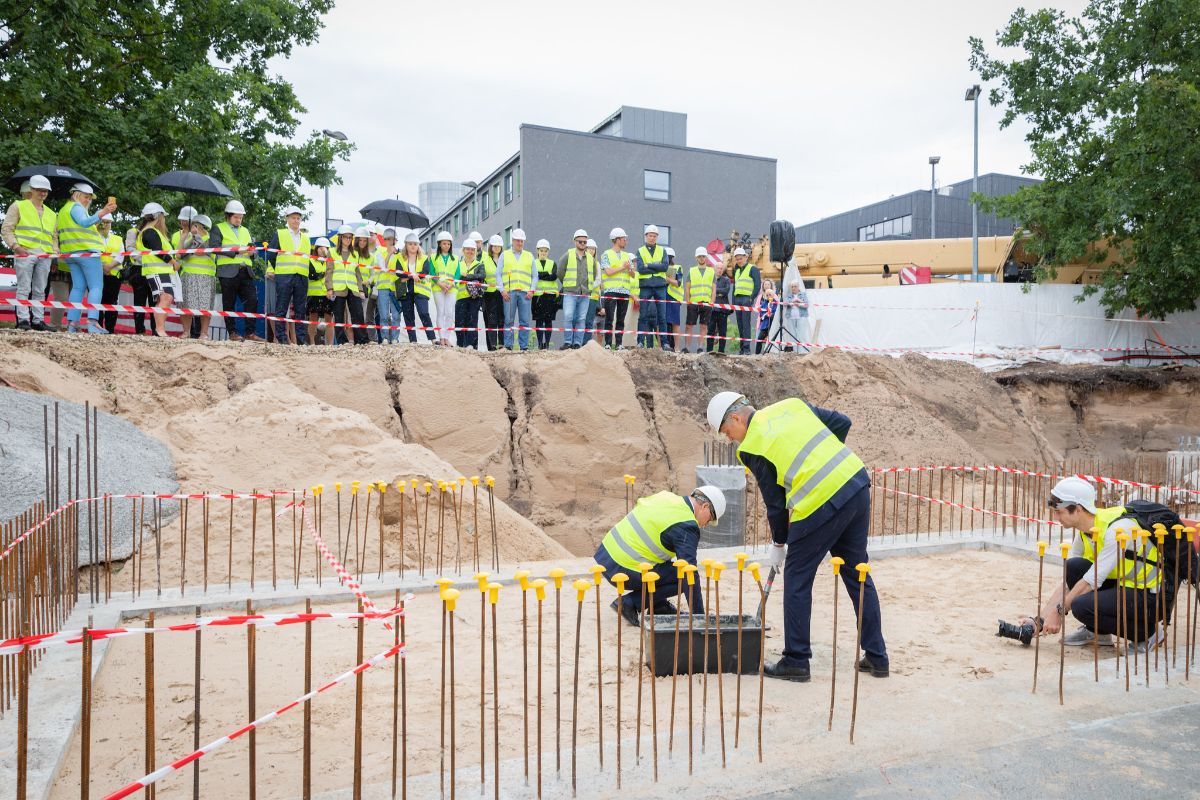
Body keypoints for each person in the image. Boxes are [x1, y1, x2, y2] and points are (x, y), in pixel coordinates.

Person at [708, 391, 889, 682]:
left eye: (727, 432)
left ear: (736, 418)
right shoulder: (790, 405)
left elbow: (776, 503)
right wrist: (825, 460)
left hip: (819, 501)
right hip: (855, 481)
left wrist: (779, 542)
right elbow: (842, 422)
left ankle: (796, 661)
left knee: (796, 578)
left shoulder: (753, 445)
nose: (730, 439)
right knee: (858, 574)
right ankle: (877, 657)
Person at [1026, 477, 1163, 650]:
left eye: (1058, 511)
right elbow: (1070, 583)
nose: (1055, 517)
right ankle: (1099, 633)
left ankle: (1149, 633)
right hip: (1122, 585)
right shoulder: (1085, 532)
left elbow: (1091, 581)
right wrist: (1039, 620)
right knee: (1074, 568)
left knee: (1081, 606)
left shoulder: (1117, 529)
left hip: (1149, 595)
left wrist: (1059, 612)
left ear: (1077, 509)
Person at [594, 486, 726, 625]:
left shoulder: (666, 497)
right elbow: (689, 573)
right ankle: (630, 603)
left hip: (606, 556)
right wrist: (700, 619)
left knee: (667, 566)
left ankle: (659, 607)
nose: (706, 525)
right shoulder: (687, 525)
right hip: (623, 569)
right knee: (680, 578)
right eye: (710, 519)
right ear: (705, 506)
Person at [57, 182, 117, 334]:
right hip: (87, 253)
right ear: (76, 194)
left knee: (78, 287)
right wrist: (103, 212)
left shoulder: (64, 210)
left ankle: (72, 323)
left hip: (71, 254)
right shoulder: (76, 208)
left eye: (90, 198)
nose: (88, 200)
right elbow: (84, 223)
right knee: (96, 287)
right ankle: (92, 322)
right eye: (86, 197)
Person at [2, 174, 58, 331]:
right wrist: (16, 247)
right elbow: (6, 229)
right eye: (40, 190)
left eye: (45, 191)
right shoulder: (19, 206)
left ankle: (38, 320)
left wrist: (54, 255)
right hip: (24, 252)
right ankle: (23, 320)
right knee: (24, 288)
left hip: (45, 255)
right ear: (31, 189)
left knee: (40, 290)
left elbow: (54, 237)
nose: (43, 193)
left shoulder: (52, 213)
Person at [211, 200, 261, 342]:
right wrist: (237, 251)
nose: (239, 220)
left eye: (240, 217)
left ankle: (250, 333)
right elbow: (214, 247)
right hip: (227, 271)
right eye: (236, 217)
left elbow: (253, 249)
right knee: (229, 303)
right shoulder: (218, 228)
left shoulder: (245, 230)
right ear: (228, 215)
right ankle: (232, 333)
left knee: (252, 301)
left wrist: (253, 252)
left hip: (246, 271)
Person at [264, 206, 311, 345]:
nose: (296, 220)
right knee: (282, 308)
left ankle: (301, 340)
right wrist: (277, 269)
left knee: (300, 309)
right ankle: (282, 338)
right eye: (293, 218)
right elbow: (271, 254)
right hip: (284, 275)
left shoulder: (306, 238)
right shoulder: (280, 233)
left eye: (298, 218)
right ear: (287, 219)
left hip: (301, 276)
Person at [137, 203, 183, 337]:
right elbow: (158, 251)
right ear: (158, 216)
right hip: (156, 270)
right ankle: (160, 330)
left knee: (166, 299)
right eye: (163, 216)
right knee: (165, 298)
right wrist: (173, 261)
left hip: (162, 271)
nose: (164, 219)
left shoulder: (152, 231)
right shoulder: (150, 231)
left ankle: (160, 330)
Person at [327, 226, 368, 345]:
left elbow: (358, 274)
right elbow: (329, 271)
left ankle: (362, 340)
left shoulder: (355, 254)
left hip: (353, 288)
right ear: (340, 238)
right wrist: (329, 288)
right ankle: (342, 341)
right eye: (346, 237)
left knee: (358, 314)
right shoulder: (332, 252)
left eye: (350, 237)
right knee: (339, 315)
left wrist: (360, 290)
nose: (348, 239)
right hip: (338, 288)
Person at [557, 229, 595, 350]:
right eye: (580, 242)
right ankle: (568, 342)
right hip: (570, 292)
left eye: (585, 242)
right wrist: (568, 285)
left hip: (585, 294)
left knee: (581, 319)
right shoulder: (567, 255)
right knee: (568, 316)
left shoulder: (590, 258)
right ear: (574, 241)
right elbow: (560, 272)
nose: (583, 244)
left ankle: (577, 343)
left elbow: (593, 274)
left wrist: (587, 287)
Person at [179, 214, 216, 340]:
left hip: (206, 276)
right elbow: (179, 255)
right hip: (188, 275)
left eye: (194, 225)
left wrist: (196, 237)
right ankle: (186, 332)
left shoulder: (211, 239)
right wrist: (183, 239)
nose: (192, 228)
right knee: (186, 304)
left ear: (200, 226)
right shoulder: (190, 239)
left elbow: (201, 251)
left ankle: (204, 333)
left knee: (205, 306)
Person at [635, 225, 671, 350]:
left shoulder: (663, 250)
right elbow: (640, 269)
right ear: (646, 236)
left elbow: (665, 267)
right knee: (643, 315)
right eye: (650, 235)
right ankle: (640, 342)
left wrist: (648, 265)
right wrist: (656, 265)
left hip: (660, 286)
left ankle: (665, 343)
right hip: (646, 285)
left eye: (654, 236)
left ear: (657, 237)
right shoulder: (640, 251)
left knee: (662, 316)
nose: (652, 238)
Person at [498, 229, 534, 351]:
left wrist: (532, 290)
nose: (520, 243)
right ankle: (508, 346)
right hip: (509, 293)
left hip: (525, 294)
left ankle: (524, 346)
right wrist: (502, 290)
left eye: (521, 241)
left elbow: (535, 275)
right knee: (508, 320)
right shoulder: (505, 255)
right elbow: (498, 274)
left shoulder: (529, 256)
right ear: (512, 241)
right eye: (517, 240)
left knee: (524, 321)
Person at [600, 227, 635, 350]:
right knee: (609, 318)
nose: (626, 241)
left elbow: (633, 274)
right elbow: (608, 272)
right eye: (624, 239)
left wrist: (630, 269)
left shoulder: (627, 255)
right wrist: (623, 267)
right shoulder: (606, 254)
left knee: (621, 318)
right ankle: (608, 343)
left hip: (624, 291)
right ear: (617, 239)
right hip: (611, 290)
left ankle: (619, 343)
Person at [397, 232, 434, 344]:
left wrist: (409, 275)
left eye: (415, 244)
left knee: (424, 313)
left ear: (418, 245)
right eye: (410, 244)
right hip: (405, 290)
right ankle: (413, 341)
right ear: (406, 245)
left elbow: (425, 271)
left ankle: (432, 339)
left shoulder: (424, 258)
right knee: (408, 316)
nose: (413, 246)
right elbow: (398, 272)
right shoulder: (400, 257)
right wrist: (411, 275)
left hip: (420, 290)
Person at [426, 231, 459, 346]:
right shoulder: (433, 257)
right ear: (439, 244)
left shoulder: (455, 258)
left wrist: (450, 285)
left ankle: (447, 337)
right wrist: (440, 284)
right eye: (444, 243)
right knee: (441, 312)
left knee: (449, 313)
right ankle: (441, 337)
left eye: (448, 244)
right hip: (438, 288)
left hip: (451, 288)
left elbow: (457, 274)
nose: (446, 246)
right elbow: (432, 272)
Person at [729, 248, 761, 355]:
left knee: (746, 324)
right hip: (738, 299)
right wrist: (733, 302)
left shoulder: (753, 269)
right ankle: (742, 348)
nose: (739, 261)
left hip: (747, 299)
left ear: (746, 257)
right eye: (737, 259)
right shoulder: (737, 271)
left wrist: (751, 298)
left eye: (740, 258)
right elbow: (735, 287)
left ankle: (747, 349)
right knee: (740, 325)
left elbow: (757, 285)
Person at [97, 213, 125, 334]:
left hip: (114, 275)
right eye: (103, 221)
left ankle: (110, 329)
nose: (106, 224)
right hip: (98, 274)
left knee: (112, 303)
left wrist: (109, 266)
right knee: (98, 302)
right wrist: (103, 267)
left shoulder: (118, 239)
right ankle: (97, 328)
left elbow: (121, 256)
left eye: (108, 222)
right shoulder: (94, 237)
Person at [374, 230, 403, 344]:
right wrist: (390, 253)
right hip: (383, 286)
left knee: (396, 314)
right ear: (384, 240)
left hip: (397, 286)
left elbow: (402, 270)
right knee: (384, 314)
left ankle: (395, 338)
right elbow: (383, 267)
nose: (392, 241)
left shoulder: (401, 254)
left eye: (394, 239)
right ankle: (385, 337)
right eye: (389, 239)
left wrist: (395, 253)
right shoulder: (380, 251)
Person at [684, 247, 714, 354]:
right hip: (693, 302)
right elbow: (687, 287)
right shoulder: (691, 271)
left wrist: (712, 302)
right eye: (700, 256)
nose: (702, 258)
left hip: (706, 302)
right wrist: (688, 301)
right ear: (696, 258)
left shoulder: (711, 271)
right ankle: (687, 347)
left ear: (706, 257)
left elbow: (713, 288)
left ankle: (700, 347)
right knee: (689, 325)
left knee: (703, 326)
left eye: (703, 256)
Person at [455, 239, 484, 349]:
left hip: (474, 298)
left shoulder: (479, 264)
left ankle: (471, 346)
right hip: (460, 298)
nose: (470, 252)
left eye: (472, 250)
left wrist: (467, 277)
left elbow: (481, 276)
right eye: (468, 249)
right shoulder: (458, 264)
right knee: (460, 323)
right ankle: (460, 345)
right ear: (463, 250)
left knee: (472, 323)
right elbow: (455, 278)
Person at [531, 238, 558, 350]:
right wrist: (547, 274)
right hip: (537, 296)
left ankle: (546, 344)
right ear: (537, 251)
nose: (543, 253)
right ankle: (539, 343)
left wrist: (540, 275)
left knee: (548, 321)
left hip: (550, 296)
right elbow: (532, 276)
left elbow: (554, 276)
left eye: (545, 251)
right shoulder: (533, 262)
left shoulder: (553, 263)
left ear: (548, 252)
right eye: (541, 250)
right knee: (539, 321)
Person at [306, 237, 334, 346]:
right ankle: (312, 342)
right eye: (321, 248)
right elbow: (312, 275)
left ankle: (330, 344)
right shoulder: (311, 260)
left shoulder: (330, 261)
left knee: (329, 318)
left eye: (325, 248)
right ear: (316, 248)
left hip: (327, 293)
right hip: (314, 294)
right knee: (313, 318)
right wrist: (322, 274)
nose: (322, 250)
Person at [480, 235, 505, 350]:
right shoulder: (485, 260)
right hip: (489, 294)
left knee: (501, 319)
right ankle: (492, 346)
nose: (496, 247)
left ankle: (501, 344)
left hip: (502, 293)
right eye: (494, 245)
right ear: (491, 246)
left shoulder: (505, 259)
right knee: (491, 320)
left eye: (498, 246)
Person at [706, 261, 732, 353]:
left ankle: (721, 351)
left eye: (721, 268)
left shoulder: (726, 280)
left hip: (723, 310)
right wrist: (718, 292)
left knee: (723, 331)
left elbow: (726, 291)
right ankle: (709, 350)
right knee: (710, 331)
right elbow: (707, 290)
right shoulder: (709, 279)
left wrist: (714, 290)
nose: (720, 270)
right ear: (714, 268)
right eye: (718, 268)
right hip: (712, 309)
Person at [663, 247, 682, 351]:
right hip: (662, 297)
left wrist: (667, 279)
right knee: (661, 322)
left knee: (675, 323)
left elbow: (678, 283)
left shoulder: (678, 267)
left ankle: (677, 347)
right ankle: (662, 346)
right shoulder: (660, 268)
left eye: (668, 257)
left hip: (674, 298)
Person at [782, 278, 810, 351]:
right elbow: (785, 304)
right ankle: (795, 351)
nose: (793, 288)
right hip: (790, 317)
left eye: (795, 286)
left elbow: (807, 305)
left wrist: (799, 302)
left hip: (802, 316)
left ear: (798, 287)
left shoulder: (803, 294)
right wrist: (792, 301)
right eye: (792, 287)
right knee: (792, 335)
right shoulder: (788, 296)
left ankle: (801, 351)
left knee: (801, 334)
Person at [586, 239, 604, 346]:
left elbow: (598, 280)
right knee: (581, 320)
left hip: (593, 297)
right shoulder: (582, 262)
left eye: (593, 249)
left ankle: (588, 343)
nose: (591, 251)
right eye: (589, 248)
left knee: (589, 321)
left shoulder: (596, 264)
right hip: (583, 296)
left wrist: (587, 288)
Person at [754, 279, 778, 354]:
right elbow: (760, 311)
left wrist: (770, 314)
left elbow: (776, 312)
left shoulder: (775, 302)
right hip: (764, 325)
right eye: (767, 295)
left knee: (772, 339)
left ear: (773, 295)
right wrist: (765, 315)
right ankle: (757, 354)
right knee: (759, 339)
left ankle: (769, 353)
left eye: (770, 295)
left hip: (772, 324)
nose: (768, 296)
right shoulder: (764, 302)